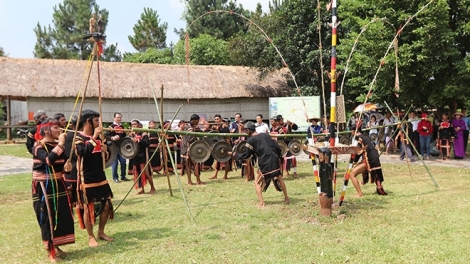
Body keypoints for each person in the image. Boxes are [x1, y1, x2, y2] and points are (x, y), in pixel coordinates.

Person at [32, 118, 75, 262]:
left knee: (60, 214)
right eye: (56, 128)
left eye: (59, 127)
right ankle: (50, 252)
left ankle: (56, 246)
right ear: (46, 130)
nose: (60, 130)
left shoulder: (58, 146)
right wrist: (61, 144)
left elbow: (60, 166)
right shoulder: (38, 146)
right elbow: (49, 160)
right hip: (43, 186)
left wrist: (66, 169)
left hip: (58, 183)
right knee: (47, 217)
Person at [75, 109, 114, 247]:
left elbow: (104, 159)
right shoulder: (78, 138)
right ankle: (90, 236)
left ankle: (101, 232)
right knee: (88, 207)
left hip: (100, 176)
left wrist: (105, 152)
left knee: (107, 205)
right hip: (87, 177)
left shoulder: (99, 137)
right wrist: (93, 138)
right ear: (88, 121)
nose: (99, 123)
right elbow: (82, 153)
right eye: (97, 120)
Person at [236, 121, 289, 207]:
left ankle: (262, 203)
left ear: (249, 130)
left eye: (245, 130)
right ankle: (286, 198)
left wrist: (236, 155)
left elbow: (247, 154)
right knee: (279, 178)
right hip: (274, 159)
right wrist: (279, 156)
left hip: (265, 161)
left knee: (257, 182)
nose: (245, 132)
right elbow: (276, 146)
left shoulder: (251, 140)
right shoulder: (265, 135)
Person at [349, 125, 387, 196]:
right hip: (375, 156)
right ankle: (379, 188)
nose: (352, 134)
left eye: (352, 133)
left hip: (369, 159)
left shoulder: (359, 138)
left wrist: (354, 161)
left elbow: (359, 151)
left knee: (352, 174)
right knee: (375, 173)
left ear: (354, 131)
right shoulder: (365, 137)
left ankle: (359, 193)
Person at [128, 119, 156, 194]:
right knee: (138, 173)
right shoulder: (131, 134)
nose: (134, 126)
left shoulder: (143, 134)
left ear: (139, 125)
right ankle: (142, 189)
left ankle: (152, 188)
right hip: (135, 156)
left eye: (135, 124)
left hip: (143, 156)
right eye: (132, 124)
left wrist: (138, 141)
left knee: (146, 172)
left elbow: (147, 143)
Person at [180, 114, 205, 185]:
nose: (198, 122)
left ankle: (196, 180)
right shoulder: (188, 127)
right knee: (191, 164)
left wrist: (197, 131)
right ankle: (192, 181)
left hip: (191, 148)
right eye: (197, 121)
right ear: (193, 120)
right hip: (187, 149)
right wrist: (194, 133)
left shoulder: (192, 127)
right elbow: (189, 139)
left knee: (193, 164)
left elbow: (201, 134)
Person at [106, 112, 129, 183]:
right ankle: (115, 178)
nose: (119, 119)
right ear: (114, 118)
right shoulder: (111, 127)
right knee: (114, 163)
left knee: (123, 162)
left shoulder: (122, 127)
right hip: (113, 148)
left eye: (120, 117)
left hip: (121, 147)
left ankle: (123, 176)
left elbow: (124, 135)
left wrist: (119, 136)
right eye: (118, 117)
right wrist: (112, 138)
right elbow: (107, 136)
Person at [210, 114, 231, 179]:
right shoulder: (215, 125)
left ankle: (225, 175)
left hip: (225, 144)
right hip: (218, 144)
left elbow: (226, 131)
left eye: (217, 119)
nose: (216, 120)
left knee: (226, 159)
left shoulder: (224, 125)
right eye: (215, 119)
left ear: (220, 119)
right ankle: (215, 175)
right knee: (217, 159)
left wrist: (218, 128)